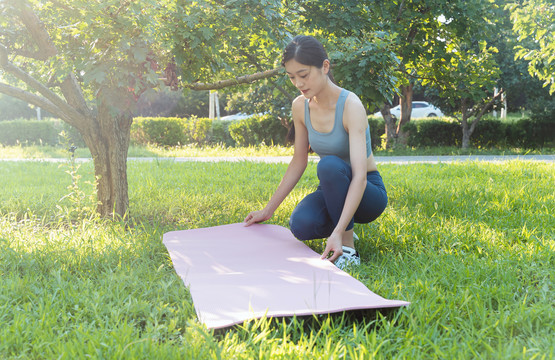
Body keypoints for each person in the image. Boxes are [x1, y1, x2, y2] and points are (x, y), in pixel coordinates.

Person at [244, 35, 388, 270]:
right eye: (292, 77)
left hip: (368, 192)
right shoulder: (300, 106)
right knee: (301, 225)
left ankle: (348, 248)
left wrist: (340, 232)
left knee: (329, 165)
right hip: (333, 188)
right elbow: (298, 161)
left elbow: (359, 176)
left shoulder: (351, 105)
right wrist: (267, 210)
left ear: (325, 66)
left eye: (304, 75)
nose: (299, 83)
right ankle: (341, 226)